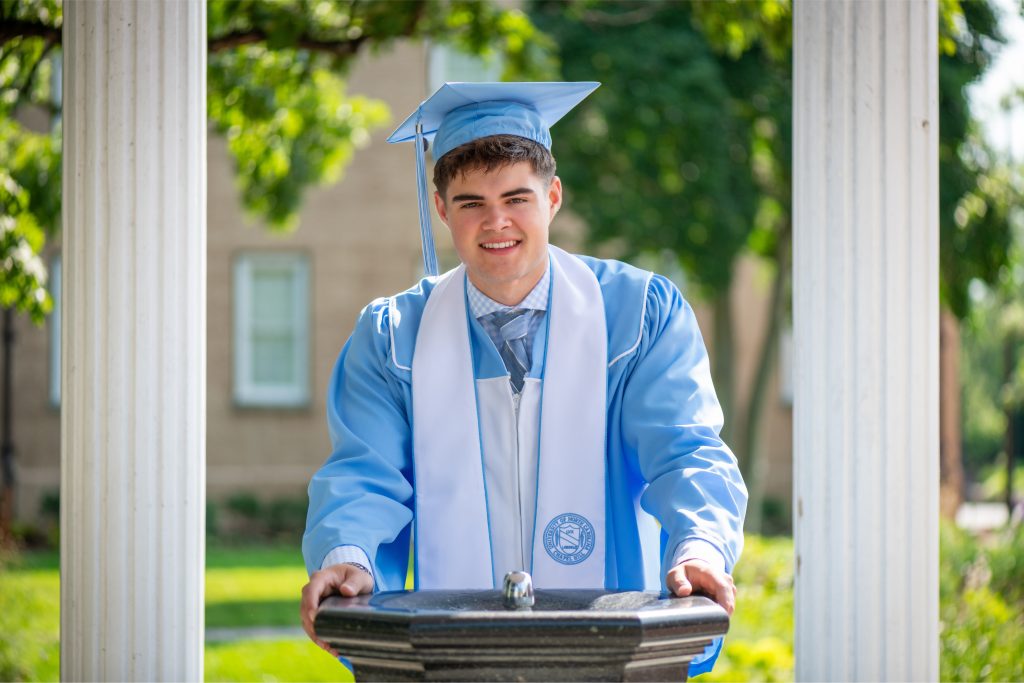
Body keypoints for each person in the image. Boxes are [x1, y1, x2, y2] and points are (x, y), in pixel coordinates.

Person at [300, 81, 747, 676]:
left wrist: (700, 545)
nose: (497, 223)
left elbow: (686, 451)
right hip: (449, 650)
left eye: (517, 198)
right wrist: (349, 554)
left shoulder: (638, 317)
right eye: (470, 204)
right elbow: (364, 473)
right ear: (440, 208)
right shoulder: (392, 338)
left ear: (553, 196)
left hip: (608, 641)